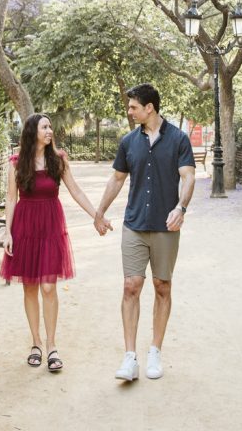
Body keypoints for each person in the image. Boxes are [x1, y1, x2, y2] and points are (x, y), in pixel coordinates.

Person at [93, 84, 196, 381]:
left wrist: (181, 207)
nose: (129, 111)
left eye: (133, 107)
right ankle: (129, 357)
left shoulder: (178, 139)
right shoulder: (128, 142)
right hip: (134, 225)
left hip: (166, 226)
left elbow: (188, 177)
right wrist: (99, 212)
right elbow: (116, 180)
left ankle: (155, 351)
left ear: (149, 107)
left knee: (162, 286)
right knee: (130, 286)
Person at [0, 112, 112, 372]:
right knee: (29, 287)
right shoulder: (16, 164)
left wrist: (97, 215)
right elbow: (10, 198)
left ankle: (52, 346)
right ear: (32, 133)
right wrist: (8, 232)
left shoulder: (58, 160)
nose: (50, 131)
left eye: (50, 127)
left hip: (51, 227)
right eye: (44, 127)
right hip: (25, 228)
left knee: (48, 287)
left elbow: (76, 190)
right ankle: (36, 343)